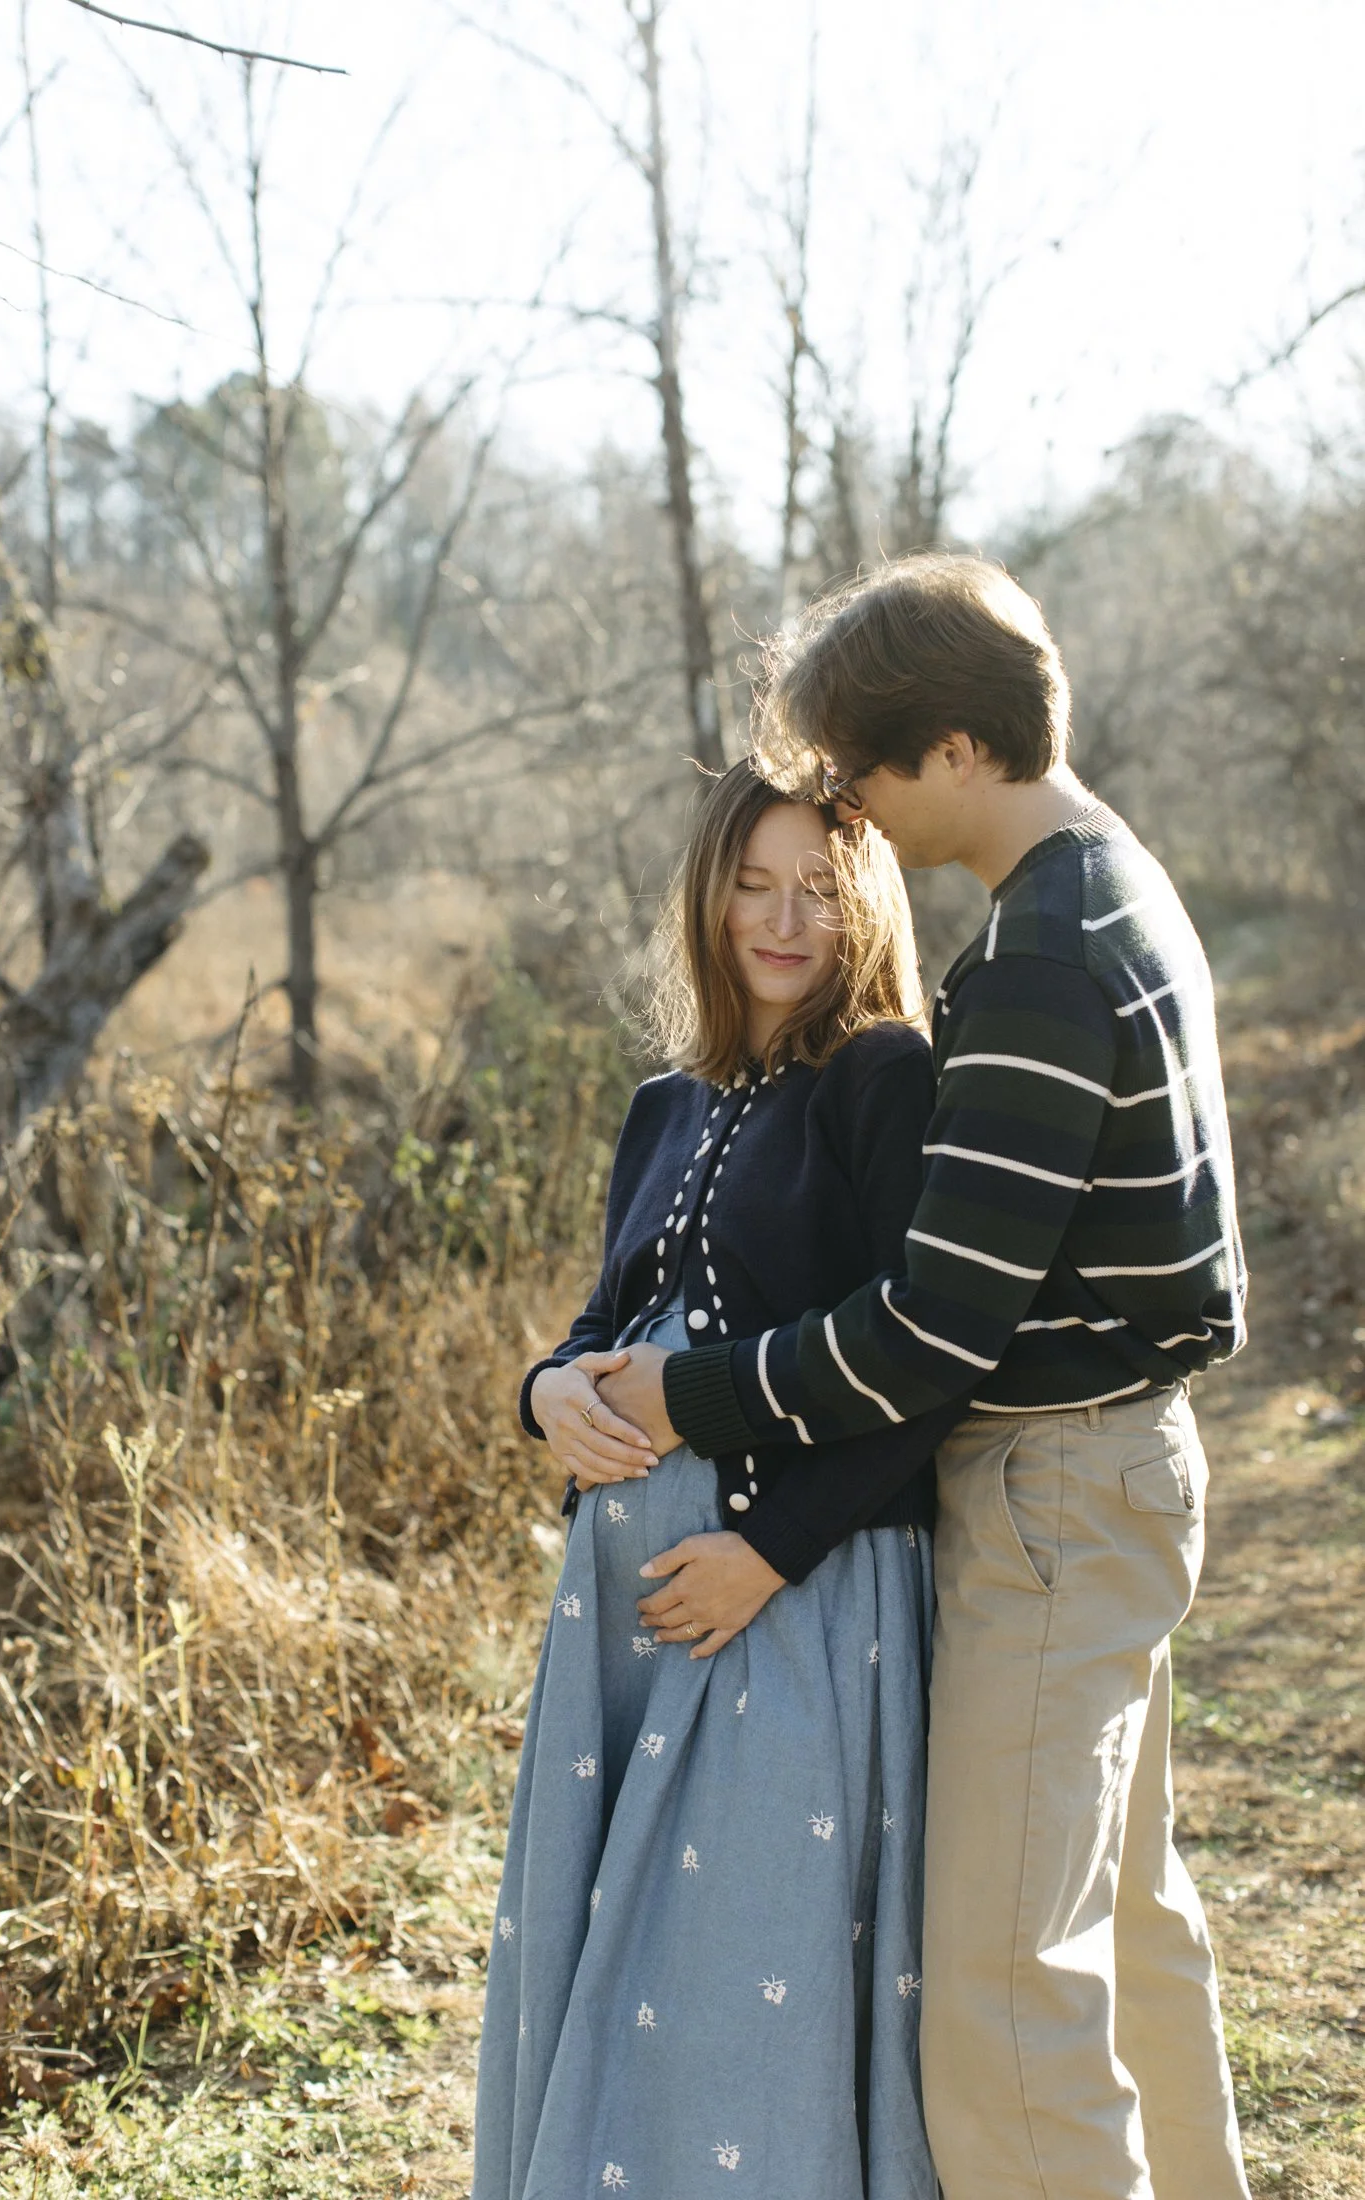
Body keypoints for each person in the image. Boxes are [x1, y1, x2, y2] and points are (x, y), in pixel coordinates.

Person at [601, 555, 1252, 2200]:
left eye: (864, 772)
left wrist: (688, 1398)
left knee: (1003, 2007)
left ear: (955, 747)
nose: (854, 812)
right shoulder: (1116, 883)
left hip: (1054, 1490)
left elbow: (928, 1331)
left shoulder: (1038, 960)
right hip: (1120, 1465)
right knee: (1123, 1932)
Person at [473, 761, 957, 2200]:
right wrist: (546, 1391)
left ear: (865, 902)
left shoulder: (882, 1078)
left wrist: (770, 1551)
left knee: (744, 1975)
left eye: (819, 887)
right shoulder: (662, 1105)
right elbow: (602, 1322)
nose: (785, 920)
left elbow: (924, 1363)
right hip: (619, 1621)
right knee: (617, 1970)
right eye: (754, 884)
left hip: (796, 1598)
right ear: (708, 894)